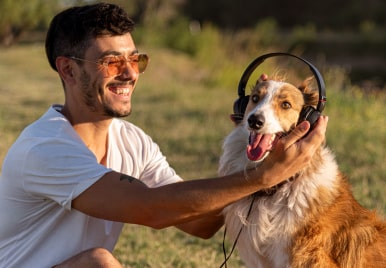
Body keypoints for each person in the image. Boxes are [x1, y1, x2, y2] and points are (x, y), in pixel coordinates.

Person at [0, 2, 328, 268]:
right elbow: (153, 210)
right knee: (98, 263)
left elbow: (198, 222)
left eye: (135, 59)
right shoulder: (44, 149)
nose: (130, 74)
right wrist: (262, 177)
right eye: (112, 62)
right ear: (68, 70)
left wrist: (257, 152)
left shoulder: (132, 141)